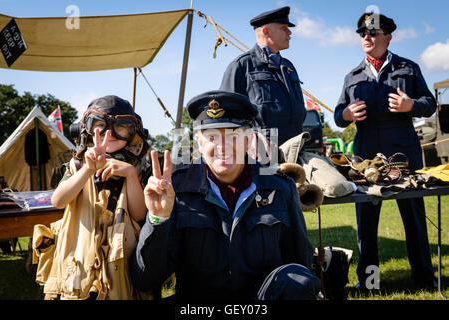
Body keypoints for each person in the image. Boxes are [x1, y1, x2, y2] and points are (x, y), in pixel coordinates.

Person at [130, 90, 320, 300]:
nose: (223, 146)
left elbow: (299, 261)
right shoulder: (177, 191)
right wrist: (158, 218)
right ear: (198, 142)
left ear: (248, 139)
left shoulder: (279, 187)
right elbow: (146, 279)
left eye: (233, 135)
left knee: (299, 281)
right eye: (212, 136)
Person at [334, 12, 437, 290]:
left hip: (403, 156)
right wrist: (345, 113)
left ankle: (424, 282)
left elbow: (429, 103)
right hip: (365, 159)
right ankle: (370, 284)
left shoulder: (409, 68)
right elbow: (337, 116)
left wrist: (411, 106)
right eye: (362, 34)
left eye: (372, 33)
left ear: (388, 36)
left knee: (414, 221)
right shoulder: (352, 76)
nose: (366, 37)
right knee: (366, 226)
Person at [33, 95, 151, 299]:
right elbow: (58, 201)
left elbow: (139, 215)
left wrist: (130, 174)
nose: (109, 134)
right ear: (85, 128)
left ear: (133, 132)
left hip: (121, 263)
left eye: (121, 126)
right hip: (79, 266)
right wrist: (87, 169)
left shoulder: (141, 167)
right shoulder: (77, 164)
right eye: (99, 125)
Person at [219, 6, 306, 146]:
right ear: (266, 31)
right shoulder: (242, 65)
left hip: (295, 148)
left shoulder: (289, 67)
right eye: (284, 28)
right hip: (261, 155)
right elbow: (226, 117)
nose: (290, 32)